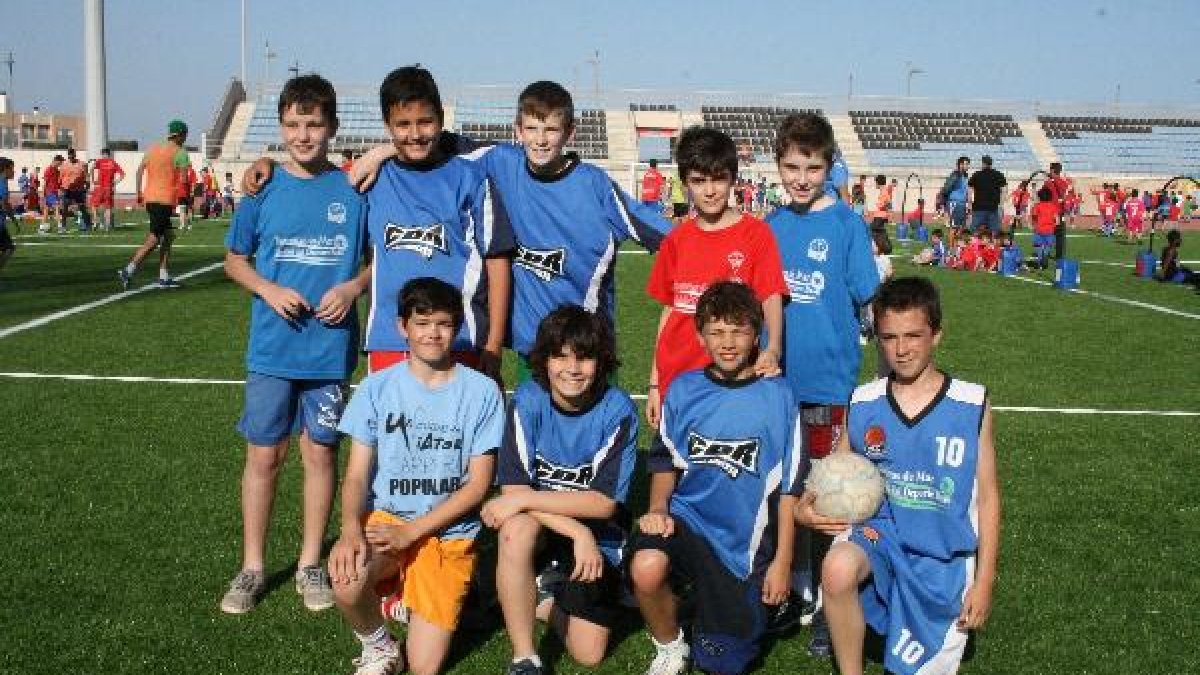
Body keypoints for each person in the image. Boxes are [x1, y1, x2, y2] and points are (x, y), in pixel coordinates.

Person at [218, 73, 370, 616]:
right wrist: (268, 288)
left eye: (313, 124)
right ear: (280, 127)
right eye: (292, 124)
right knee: (265, 455)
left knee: (320, 453)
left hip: (328, 351)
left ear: (332, 127)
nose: (303, 135)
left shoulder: (354, 190)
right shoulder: (263, 188)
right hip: (272, 349)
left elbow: (378, 261)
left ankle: (310, 564)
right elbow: (234, 260)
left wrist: (352, 288)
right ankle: (252, 566)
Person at [796, 276, 1001, 675]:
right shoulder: (864, 400)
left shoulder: (971, 403)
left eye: (913, 336)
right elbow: (834, 469)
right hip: (882, 535)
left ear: (936, 334)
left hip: (941, 552)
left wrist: (984, 581)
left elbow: (989, 497)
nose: (901, 349)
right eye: (889, 338)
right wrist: (804, 507)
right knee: (837, 568)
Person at [329, 277, 504, 675]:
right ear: (402, 327)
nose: (432, 334)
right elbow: (355, 476)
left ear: (456, 327)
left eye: (443, 324)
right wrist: (349, 530)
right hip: (387, 520)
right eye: (421, 323)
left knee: (425, 667)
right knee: (346, 580)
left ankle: (402, 592)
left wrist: (413, 532)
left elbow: (479, 485)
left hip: (447, 532)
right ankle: (379, 646)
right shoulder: (376, 387)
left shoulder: (482, 392)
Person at [629, 281, 804, 675]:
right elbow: (665, 460)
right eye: (717, 332)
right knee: (646, 565)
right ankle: (671, 645)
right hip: (687, 522)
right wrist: (658, 508)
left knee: (723, 663)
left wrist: (783, 562)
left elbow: (790, 487)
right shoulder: (684, 389)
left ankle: (710, 605)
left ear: (757, 334)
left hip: (743, 549)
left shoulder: (778, 396)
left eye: (739, 331)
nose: (727, 343)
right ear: (700, 336)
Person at [765, 113, 881, 653]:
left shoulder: (847, 226)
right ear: (778, 166)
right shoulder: (771, 224)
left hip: (830, 386)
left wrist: (882, 372)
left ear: (829, 166)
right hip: (776, 384)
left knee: (829, 494)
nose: (802, 178)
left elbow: (868, 298)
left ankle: (829, 602)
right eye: (792, 167)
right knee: (785, 490)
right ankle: (797, 588)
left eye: (812, 168)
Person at [466, 81, 671, 381]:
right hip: (533, 350)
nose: (540, 140)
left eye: (551, 129)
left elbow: (665, 235)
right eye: (532, 129)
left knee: (600, 411)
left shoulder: (594, 186)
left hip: (587, 349)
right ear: (518, 130)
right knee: (531, 411)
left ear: (570, 133)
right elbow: (437, 146)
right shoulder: (501, 162)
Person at [484, 306, 638, 674]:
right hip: (542, 527)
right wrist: (574, 531)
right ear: (544, 360)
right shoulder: (527, 400)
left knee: (588, 653)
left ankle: (539, 597)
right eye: (560, 357)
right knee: (515, 529)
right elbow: (514, 488)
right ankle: (525, 657)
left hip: (598, 535)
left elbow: (602, 504)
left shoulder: (617, 410)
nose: (572, 369)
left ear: (601, 362)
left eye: (584, 358)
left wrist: (524, 499)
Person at [644, 125, 786, 427]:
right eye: (698, 181)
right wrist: (655, 382)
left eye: (719, 179)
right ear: (685, 182)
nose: (709, 191)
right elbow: (669, 310)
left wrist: (773, 347)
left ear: (733, 178)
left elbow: (771, 295)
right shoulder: (676, 240)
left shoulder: (756, 235)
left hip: (730, 378)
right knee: (671, 455)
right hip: (675, 379)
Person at [118, 119, 191, 289]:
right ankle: (128, 270)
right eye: (185, 135)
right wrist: (186, 199)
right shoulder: (180, 152)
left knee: (169, 236)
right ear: (180, 135)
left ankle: (163, 276)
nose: (185, 139)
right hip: (164, 200)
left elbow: (139, 171)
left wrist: (138, 192)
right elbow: (184, 180)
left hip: (150, 198)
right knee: (154, 238)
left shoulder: (153, 148)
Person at [967, 155, 1006, 236]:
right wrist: (1001, 204)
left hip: (978, 208)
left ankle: (975, 244)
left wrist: (970, 203)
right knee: (994, 232)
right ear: (991, 164)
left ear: (983, 163)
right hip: (993, 208)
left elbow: (969, 190)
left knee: (974, 232)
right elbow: (1004, 190)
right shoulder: (998, 175)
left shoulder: (976, 175)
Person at [89, 148, 126, 232]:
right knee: (108, 208)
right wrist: (115, 182)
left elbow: (91, 169)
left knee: (94, 205)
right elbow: (123, 174)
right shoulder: (113, 163)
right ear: (109, 154)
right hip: (108, 188)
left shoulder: (100, 161)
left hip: (99, 187)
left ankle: (96, 221)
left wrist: (93, 180)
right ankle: (107, 226)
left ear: (103, 154)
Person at [939, 157, 970, 248]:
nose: (967, 166)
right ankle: (951, 249)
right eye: (965, 164)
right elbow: (945, 189)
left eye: (968, 164)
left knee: (961, 228)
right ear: (960, 165)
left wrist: (967, 203)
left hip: (962, 204)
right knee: (953, 227)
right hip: (954, 204)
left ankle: (956, 247)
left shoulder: (965, 176)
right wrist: (944, 204)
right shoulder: (955, 175)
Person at [60, 148, 93, 232]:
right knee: (65, 208)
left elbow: (86, 176)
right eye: (70, 155)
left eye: (72, 155)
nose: (71, 157)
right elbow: (60, 178)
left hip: (79, 190)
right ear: (68, 155)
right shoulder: (64, 165)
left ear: (75, 155)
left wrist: (87, 186)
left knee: (82, 208)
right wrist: (60, 189)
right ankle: (63, 226)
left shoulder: (82, 164)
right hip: (67, 190)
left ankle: (88, 225)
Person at [1043, 162, 1071, 259]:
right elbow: (1065, 196)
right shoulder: (1064, 183)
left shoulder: (1048, 183)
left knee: (1047, 234)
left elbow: (1042, 195)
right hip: (1060, 212)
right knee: (1060, 237)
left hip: (1050, 212)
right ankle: (1060, 256)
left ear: (1052, 170)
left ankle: (1045, 254)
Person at [1030, 187, 1058, 269]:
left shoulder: (1037, 206)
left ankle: (1040, 259)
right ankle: (1045, 254)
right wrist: (1054, 226)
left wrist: (1033, 225)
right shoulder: (1053, 206)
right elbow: (1057, 220)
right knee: (1048, 245)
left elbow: (1034, 217)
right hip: (1049, 229)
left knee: (1038, 245)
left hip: (1039, 229)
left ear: (1040, 196)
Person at [41, 155, 64, 234]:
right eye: (60, 162)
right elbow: (45, 182)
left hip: (54, 192)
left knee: (46, 210)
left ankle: (42, 227)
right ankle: (60, 227)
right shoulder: (48, 169)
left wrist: (60, 189)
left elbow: (57, 182)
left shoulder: (57, 170)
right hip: (50, 192)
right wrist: (43, 193)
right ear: (56, 161)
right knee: (57, 208)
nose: (61, 164)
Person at [0, 158, 16, 270]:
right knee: (8, 248)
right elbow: (4, 204)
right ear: (5, 169)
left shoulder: (3, 182)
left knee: (8, 248)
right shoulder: (2, 183)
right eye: (12, 168)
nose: (13, 171)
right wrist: (12, 218)